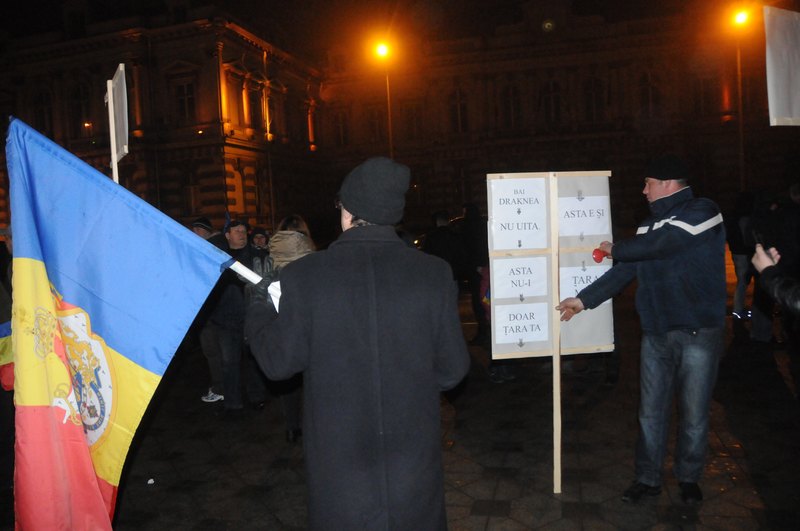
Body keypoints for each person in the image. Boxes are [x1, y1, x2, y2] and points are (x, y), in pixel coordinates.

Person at [245, 157, 471, 530]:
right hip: (411, 457)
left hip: (341, 461)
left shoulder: (305, 275)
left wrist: (258, 307)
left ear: (347, 210)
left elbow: (278, 363)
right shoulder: (433, 273)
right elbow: (452, 371)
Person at [556, 154, 726, 506]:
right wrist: (583, 300)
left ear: (666, 183)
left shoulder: (702, 211)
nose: (643, 190)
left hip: (697, 332)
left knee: (694, 413)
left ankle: (688, 478)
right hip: (657, 333)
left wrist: (616, 248)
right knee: (650, 413)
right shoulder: (648, 226)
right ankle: (647, 478)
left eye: (648, 183)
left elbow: (667, 242)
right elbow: (625, 270)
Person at [265, 214, 315, 442]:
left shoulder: (271, 254)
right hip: (309, 322)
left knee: (289, 380)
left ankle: (292, 427)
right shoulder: (310, 256)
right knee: (312, 378)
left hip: (282, 321)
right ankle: (314, 426)